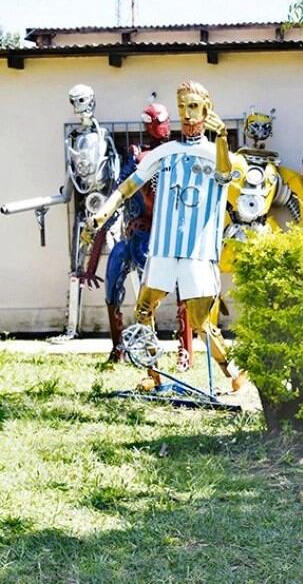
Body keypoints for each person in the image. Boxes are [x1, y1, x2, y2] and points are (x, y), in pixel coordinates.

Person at [84, 80, 245, 392]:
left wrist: (223, 137)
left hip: (197, 251)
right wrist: (105, 211)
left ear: (206, 109)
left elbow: (225, 176)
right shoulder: (165, 153)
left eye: (193, 106)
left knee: (201, 322)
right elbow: (129, 186)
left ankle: (232, 373)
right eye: (182, 106)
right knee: (144, 310)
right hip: (162, 248)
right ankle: (152, 373)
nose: (187, 114)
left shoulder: (216, 153)